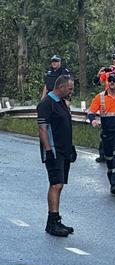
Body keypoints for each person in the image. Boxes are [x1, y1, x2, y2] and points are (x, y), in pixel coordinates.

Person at [37, 74, 77, 237]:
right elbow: (42, 129)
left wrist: (71, 148)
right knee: (55, 184)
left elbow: (64, 127)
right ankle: (51, 222)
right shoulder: (47, 103)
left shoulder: (62, 103)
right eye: (70, 88)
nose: (71, 91)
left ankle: (56, 218)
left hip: (64, 149)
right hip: (53, 150)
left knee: (60, 184)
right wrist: (48, 150)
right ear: (61, 87)